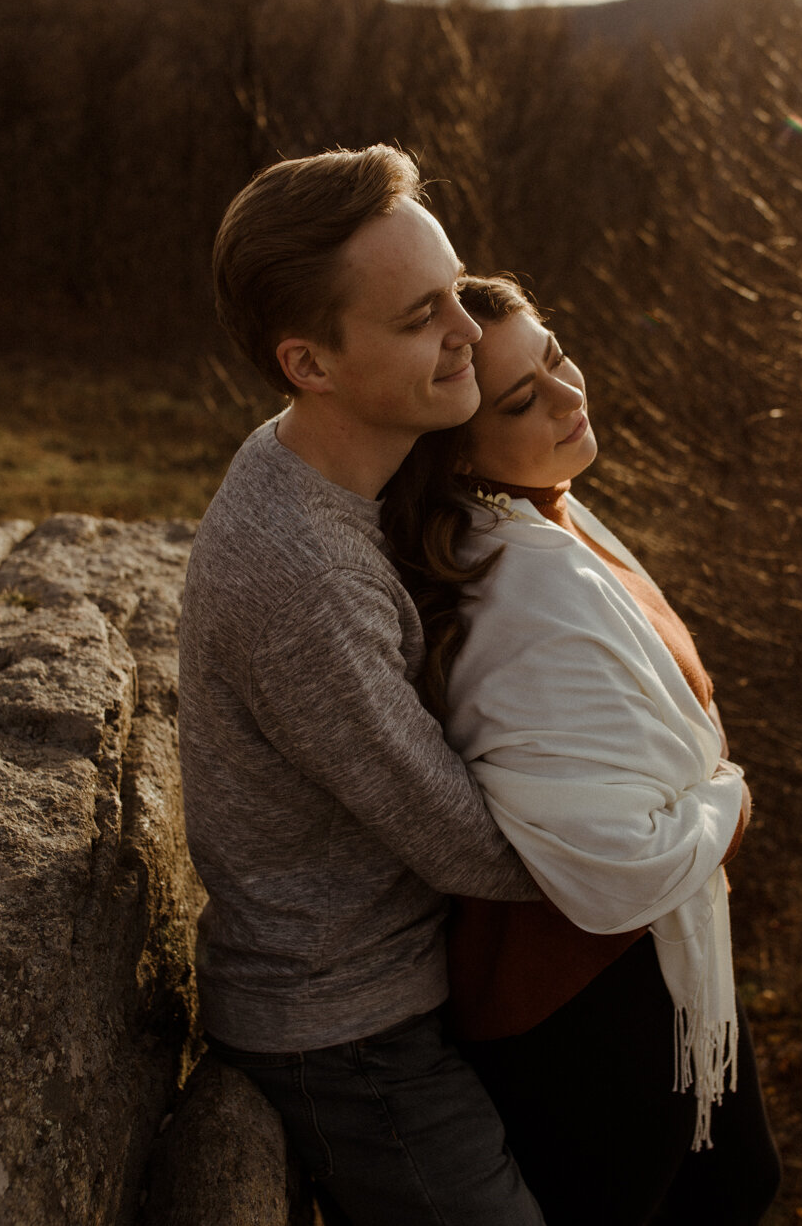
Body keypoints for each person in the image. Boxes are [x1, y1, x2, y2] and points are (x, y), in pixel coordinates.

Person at [177, 148, 547, 1226]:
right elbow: (463, 847)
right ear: (311, 364)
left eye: (455, 292)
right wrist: (650, 846)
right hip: (345, 1038)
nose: (468, 331)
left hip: (400, 993)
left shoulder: (332, 472)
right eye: (420, 316)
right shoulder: (300, 576)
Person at [380, 275, 784, 1226]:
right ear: (458, 454)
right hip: (585, 1010)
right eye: (521, 399)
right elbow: (619, 860)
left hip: (658, 968)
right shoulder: (521, 588)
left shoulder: (551, 512)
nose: (569, 396)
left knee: (739, 1186)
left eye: (556, 355)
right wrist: (729, 799)